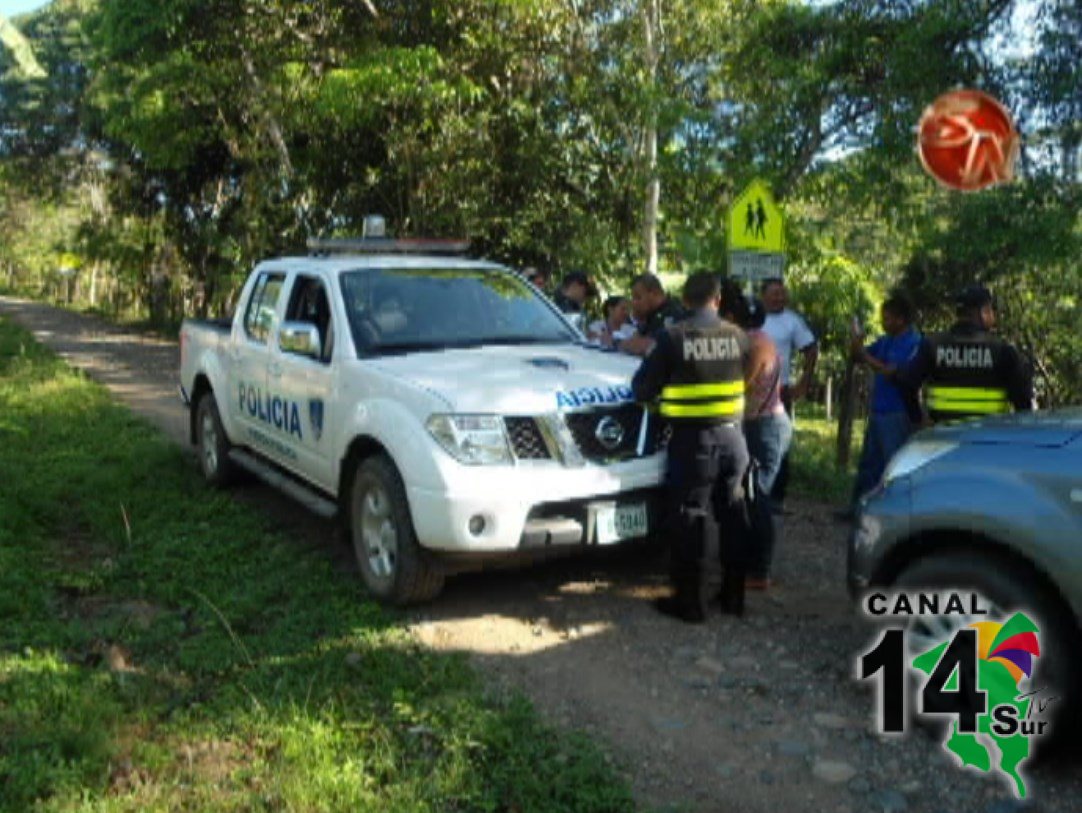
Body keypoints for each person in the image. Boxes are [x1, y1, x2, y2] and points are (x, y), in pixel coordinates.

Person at [632, 272, 750, 622]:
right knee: (734, 517)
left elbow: (642, 389)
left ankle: (689, 604)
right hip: (734, 440)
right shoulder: (739, 336)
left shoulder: (672, 337)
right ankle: (734, 597)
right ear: (717, 299)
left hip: (693, 443)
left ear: (684, 301)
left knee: (689, 519)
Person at [719, 281, 790, 590]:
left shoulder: (756, 344)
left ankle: (760, 571)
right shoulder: (758, 339)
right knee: (751, 496)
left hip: (766, 427)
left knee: (758, 498)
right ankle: (752, 564)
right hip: (762, 424)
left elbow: (741, 386)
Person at [894, 284, 1033, 423]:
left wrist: (918, 420)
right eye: (990, 310)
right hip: (989, 436)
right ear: (983, 313)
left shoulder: (932, 345)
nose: (992, 315)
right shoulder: (1001, 350)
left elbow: (907, 383)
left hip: (944, 436)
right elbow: (1023, 398)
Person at [844, 292, 922, 515]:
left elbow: (892, 372)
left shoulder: (914, 343)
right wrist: (856, 344)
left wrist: (865, 357)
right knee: (869, 464)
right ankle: (859, 509)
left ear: (901, 319)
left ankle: (893, 512)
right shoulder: (886, 341)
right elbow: (859, 357)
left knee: (892, 465)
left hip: (898, 412)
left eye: (887, 318)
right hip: (878, 410)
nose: (883, 322)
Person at [760, 277, 818, 507]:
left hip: (780, 391)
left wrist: (804, 381)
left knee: (779, 443)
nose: (779, 298)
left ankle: (777, 497)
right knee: (752, 440)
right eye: (774, 293)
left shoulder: (792, 321)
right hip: (751, 391)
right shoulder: (753, 318)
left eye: (782, 293)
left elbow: (811, 350)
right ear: (763, 295)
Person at [621, 273, 687, 357]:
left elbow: (649, 346)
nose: (634, 302)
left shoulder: (673, 313)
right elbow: (638, 338)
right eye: (633, 298)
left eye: (638, 297)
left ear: (654, 293)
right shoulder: (652, 314)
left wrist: (618, 342)